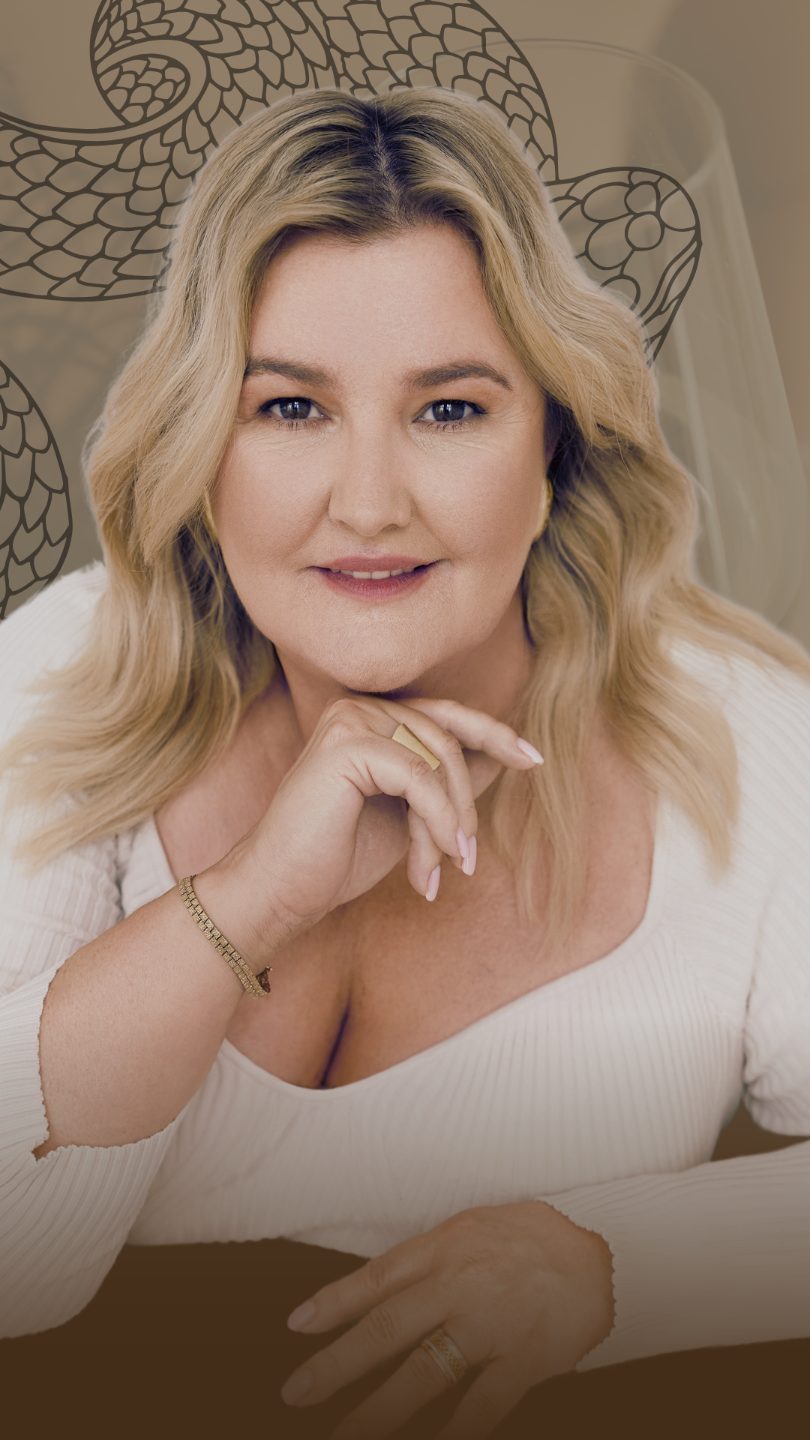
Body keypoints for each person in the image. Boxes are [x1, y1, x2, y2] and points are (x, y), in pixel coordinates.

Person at [1, 87, 809, 1437]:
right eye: (289, 408)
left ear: (551, 445)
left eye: (448, 410)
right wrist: (252, 899)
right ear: (201, 448)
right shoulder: (61, 683)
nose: (369, 502)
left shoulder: (744, 741)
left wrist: (612, 1268)